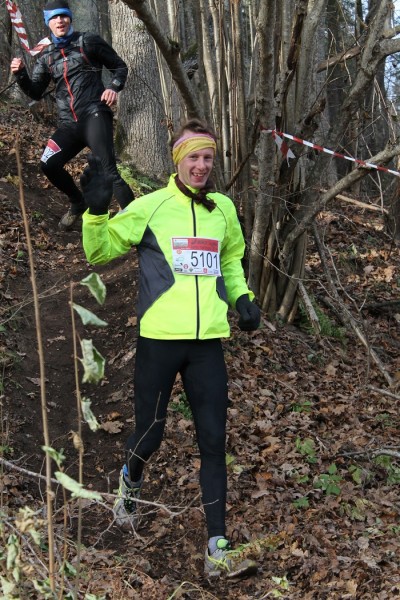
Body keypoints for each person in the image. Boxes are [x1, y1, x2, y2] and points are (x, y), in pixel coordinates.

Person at [80, 119, 261, 577]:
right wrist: (96, 213)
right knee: (150, 435)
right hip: (159, 341)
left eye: (208, 158)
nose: (201, 166)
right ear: (178, 160)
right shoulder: (151, 206)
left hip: (206, 346)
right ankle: (130, 481)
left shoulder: (223, 209)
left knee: (213, 441)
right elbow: (99, 253)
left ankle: (217, 547)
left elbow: (230, 259)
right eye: (193, 157)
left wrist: (242, 297)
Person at [10, 0, 133, 231]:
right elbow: (35, 92)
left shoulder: (88, 41)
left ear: (70, 18)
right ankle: (78, 202)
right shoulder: (47, 57)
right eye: (54, 18)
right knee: (48, 164)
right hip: (68, 125)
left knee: (109, 171)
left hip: (94, 114)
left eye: (63, 16)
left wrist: (113, 87)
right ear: (48, 22)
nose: (60, 21)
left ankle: (138, 223)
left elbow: (119, 67)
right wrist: (21, 75)